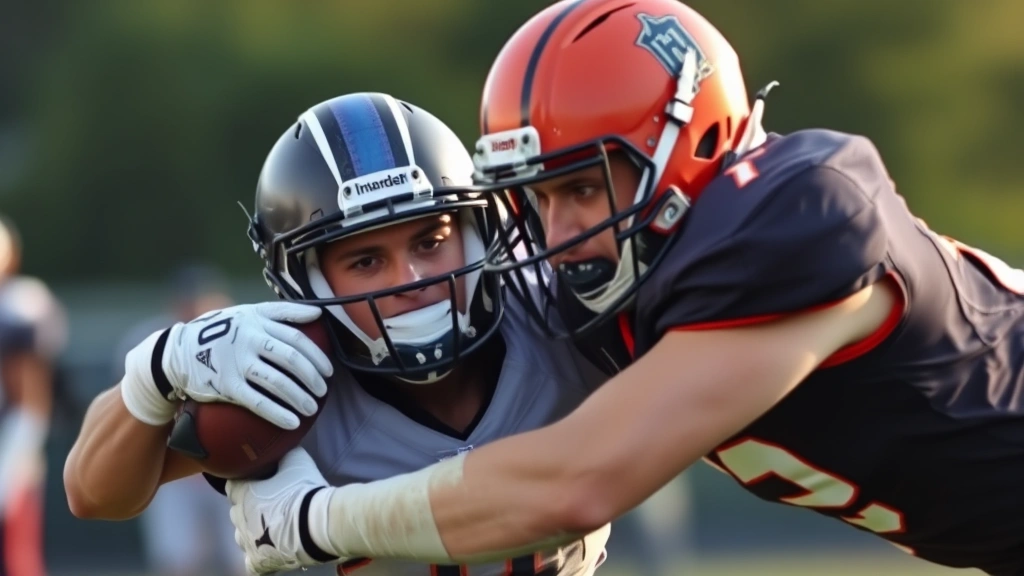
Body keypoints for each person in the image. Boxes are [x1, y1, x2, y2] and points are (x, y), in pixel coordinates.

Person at [221, 2, 1024, 576]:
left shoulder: (797, 216)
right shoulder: (615, 278)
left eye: (581, 188)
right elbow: (121, 475)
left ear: (691, 138)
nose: (556, 227)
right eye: (534, 195)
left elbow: (580, 481)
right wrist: (166, 376)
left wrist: (314, 523)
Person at [63, 92, 611, 576]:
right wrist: (157, 369)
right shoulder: (290, 377)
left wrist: (316, 524)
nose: (411, 281)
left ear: (476, 231)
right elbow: (93, 492)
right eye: (367, 260)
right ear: (307, 280)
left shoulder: (562, 317)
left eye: (430, 241)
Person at [110, 264, 244, 576]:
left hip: (232, 465)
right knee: (177, 561)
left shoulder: (241, 334)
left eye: (203, 298)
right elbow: (130, 415)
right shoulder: (148, 343)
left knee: (247, 558)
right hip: (172, 470)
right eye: (188, 300)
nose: (195, 307)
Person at [0, 214, 67, 576]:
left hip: (10, 444)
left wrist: (10, 466)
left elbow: (31, 395)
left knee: (16, 558)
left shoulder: (22, 303)